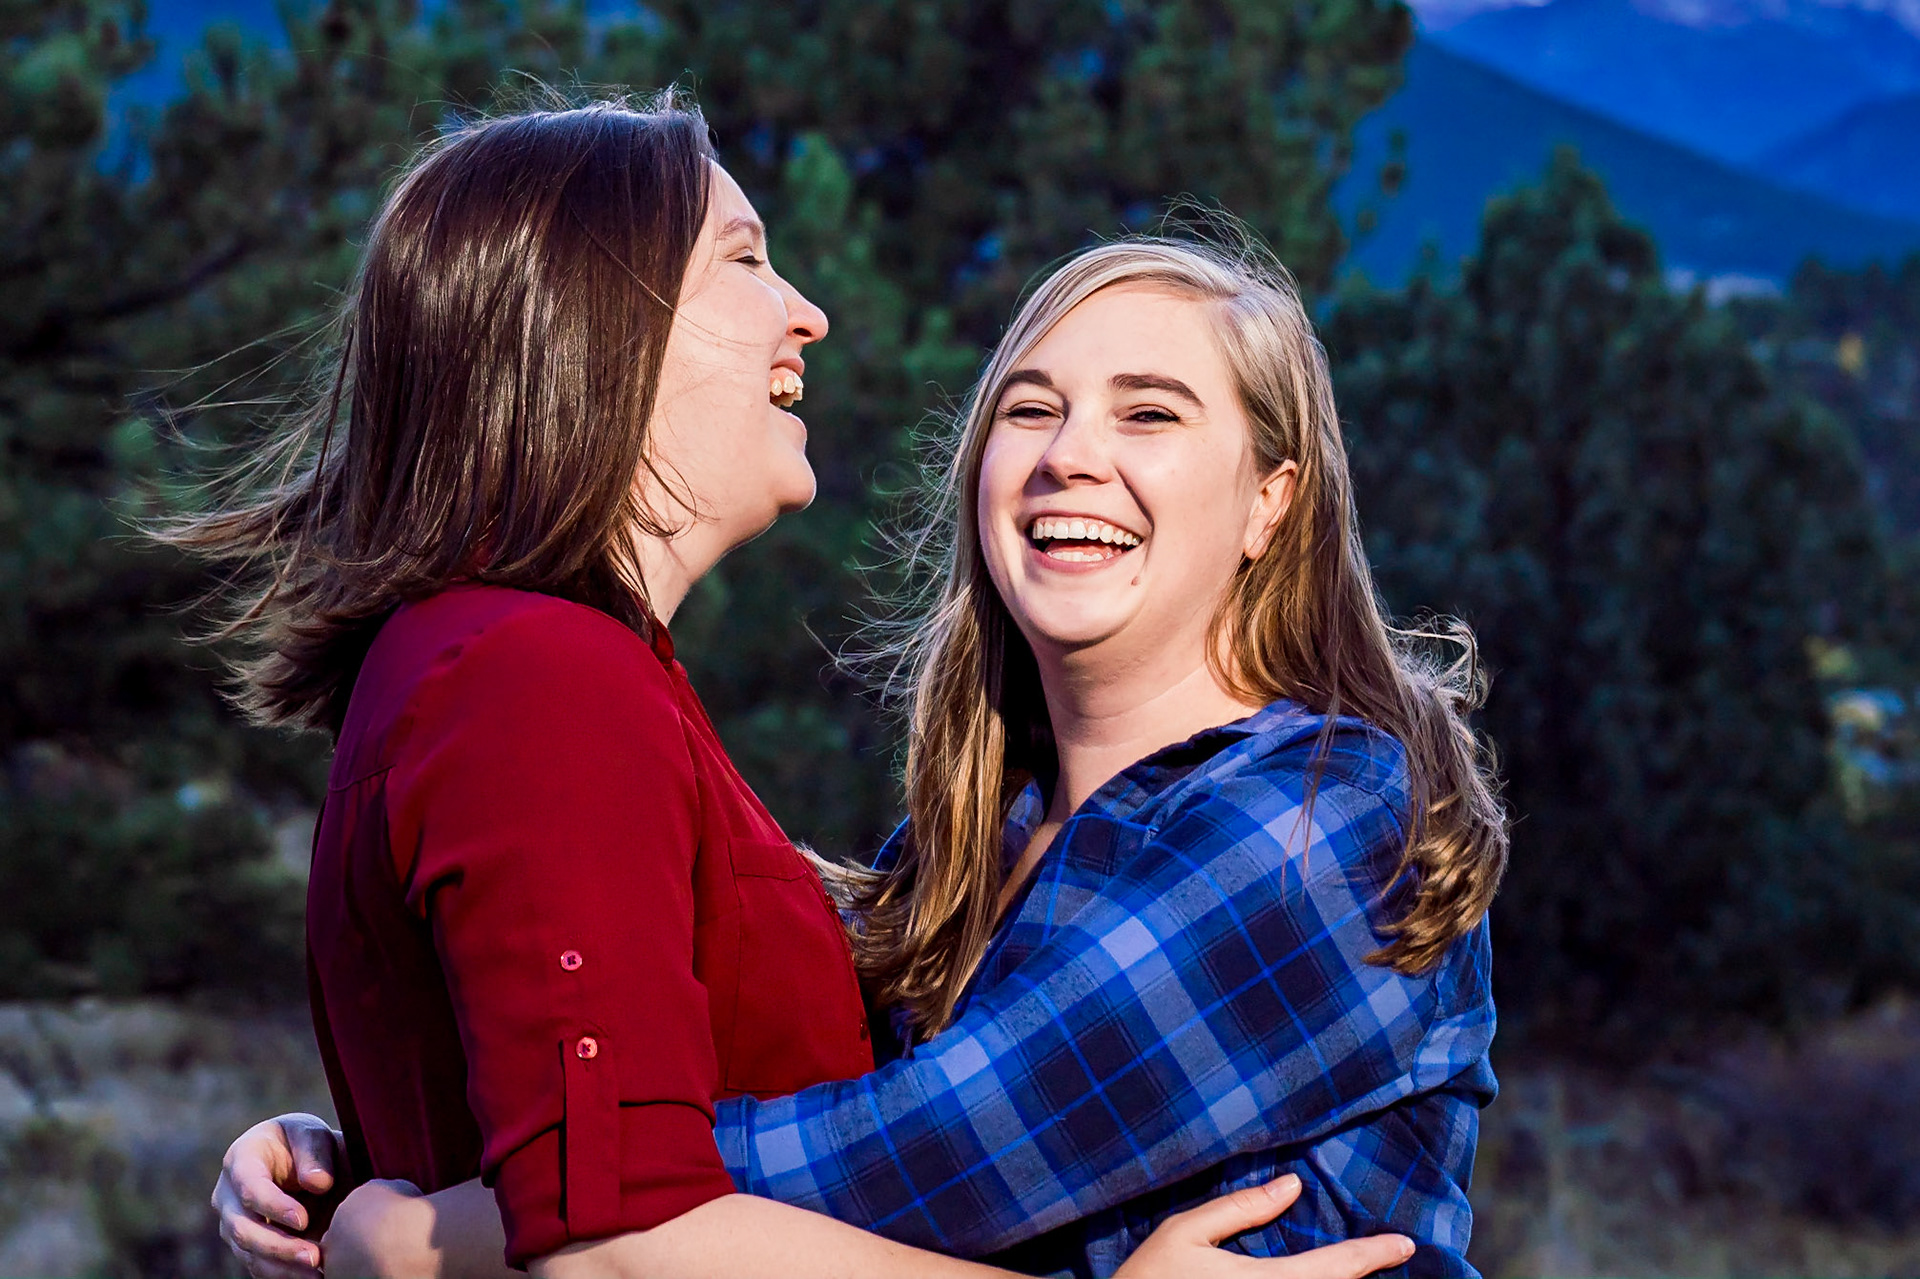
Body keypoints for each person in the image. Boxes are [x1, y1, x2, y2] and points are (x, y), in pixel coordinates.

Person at [181, 95, 1421, 1279]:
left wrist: (443, 1228)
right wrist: (453, 1196)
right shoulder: (549, 679)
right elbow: (640, 1186)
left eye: (1150, 413)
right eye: (745, 258)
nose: (809, 311)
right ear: (599, 319)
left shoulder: (1318, 811)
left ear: (1274, 500)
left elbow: (874, 1150)